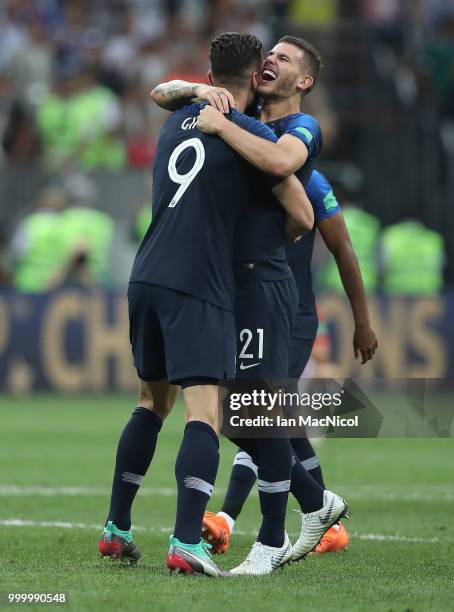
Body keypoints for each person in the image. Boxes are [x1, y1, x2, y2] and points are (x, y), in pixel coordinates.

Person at [98, 32, 315, 578]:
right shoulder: (247, 131)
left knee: (152, 401)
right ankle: (187, 540)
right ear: (253, 75)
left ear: (211, 73)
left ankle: (116, 529)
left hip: (145, 274)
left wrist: (191, 91)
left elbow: (162, 93)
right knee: (206, 412)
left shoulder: (178, 118)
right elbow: (303, 213)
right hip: (201, 284)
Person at [153, 35, 377, 561]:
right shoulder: (239, 114)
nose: (272, 60)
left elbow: (292, 183)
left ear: (305, 81)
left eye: (286, 58)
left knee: (257, 415)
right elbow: (161, 92)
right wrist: (195, 90)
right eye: (269, 54)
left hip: (278, 297)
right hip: (232, 290)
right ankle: (316, 505)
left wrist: (362, 320)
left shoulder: (301, 136)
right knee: (238, 415)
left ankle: (273, 537)